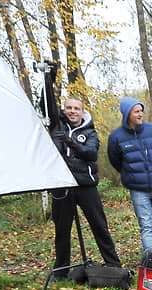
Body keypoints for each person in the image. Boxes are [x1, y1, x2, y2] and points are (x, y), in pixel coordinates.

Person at [49, 97, 122, 280]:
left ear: (83, 112)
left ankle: (113, 264)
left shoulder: (90, 132)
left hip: (85, 185)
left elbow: (90, 153)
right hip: (62, 186)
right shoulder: (57, 127)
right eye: (69, 108)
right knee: (62, 230)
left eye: (76, 108)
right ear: (64, 110)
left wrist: (70, 142)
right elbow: (47, 102)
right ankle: (61, 271)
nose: (73, 111)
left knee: (99, 225)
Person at [107, 97, 152, 251]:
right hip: (138, 190)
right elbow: (115, 160)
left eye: (141, 111)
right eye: (137, 111)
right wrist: (130, 175)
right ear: (127, 113)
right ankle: (151, 260)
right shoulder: (116, 137)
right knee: (146, 227)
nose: (141, 114)